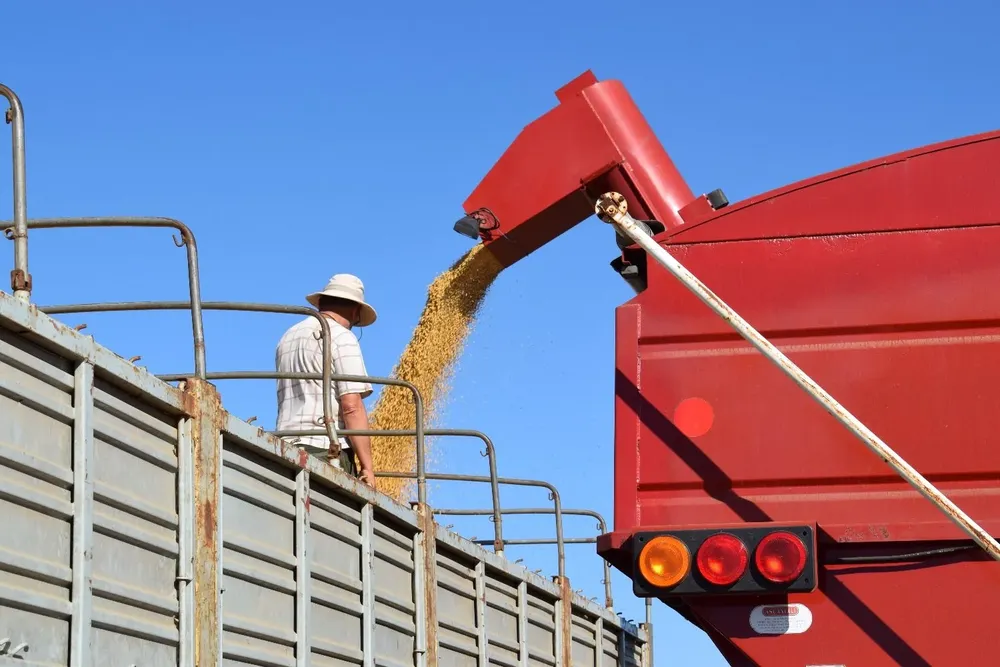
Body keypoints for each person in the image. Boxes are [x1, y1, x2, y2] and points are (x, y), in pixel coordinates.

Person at [275, 273, 378, 488]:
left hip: (283, 446)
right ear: (355, 311)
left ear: (321, 301)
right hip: (325, 450)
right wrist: (367, 467)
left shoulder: (287, 337)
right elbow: (351, 406)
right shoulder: (341, 337)